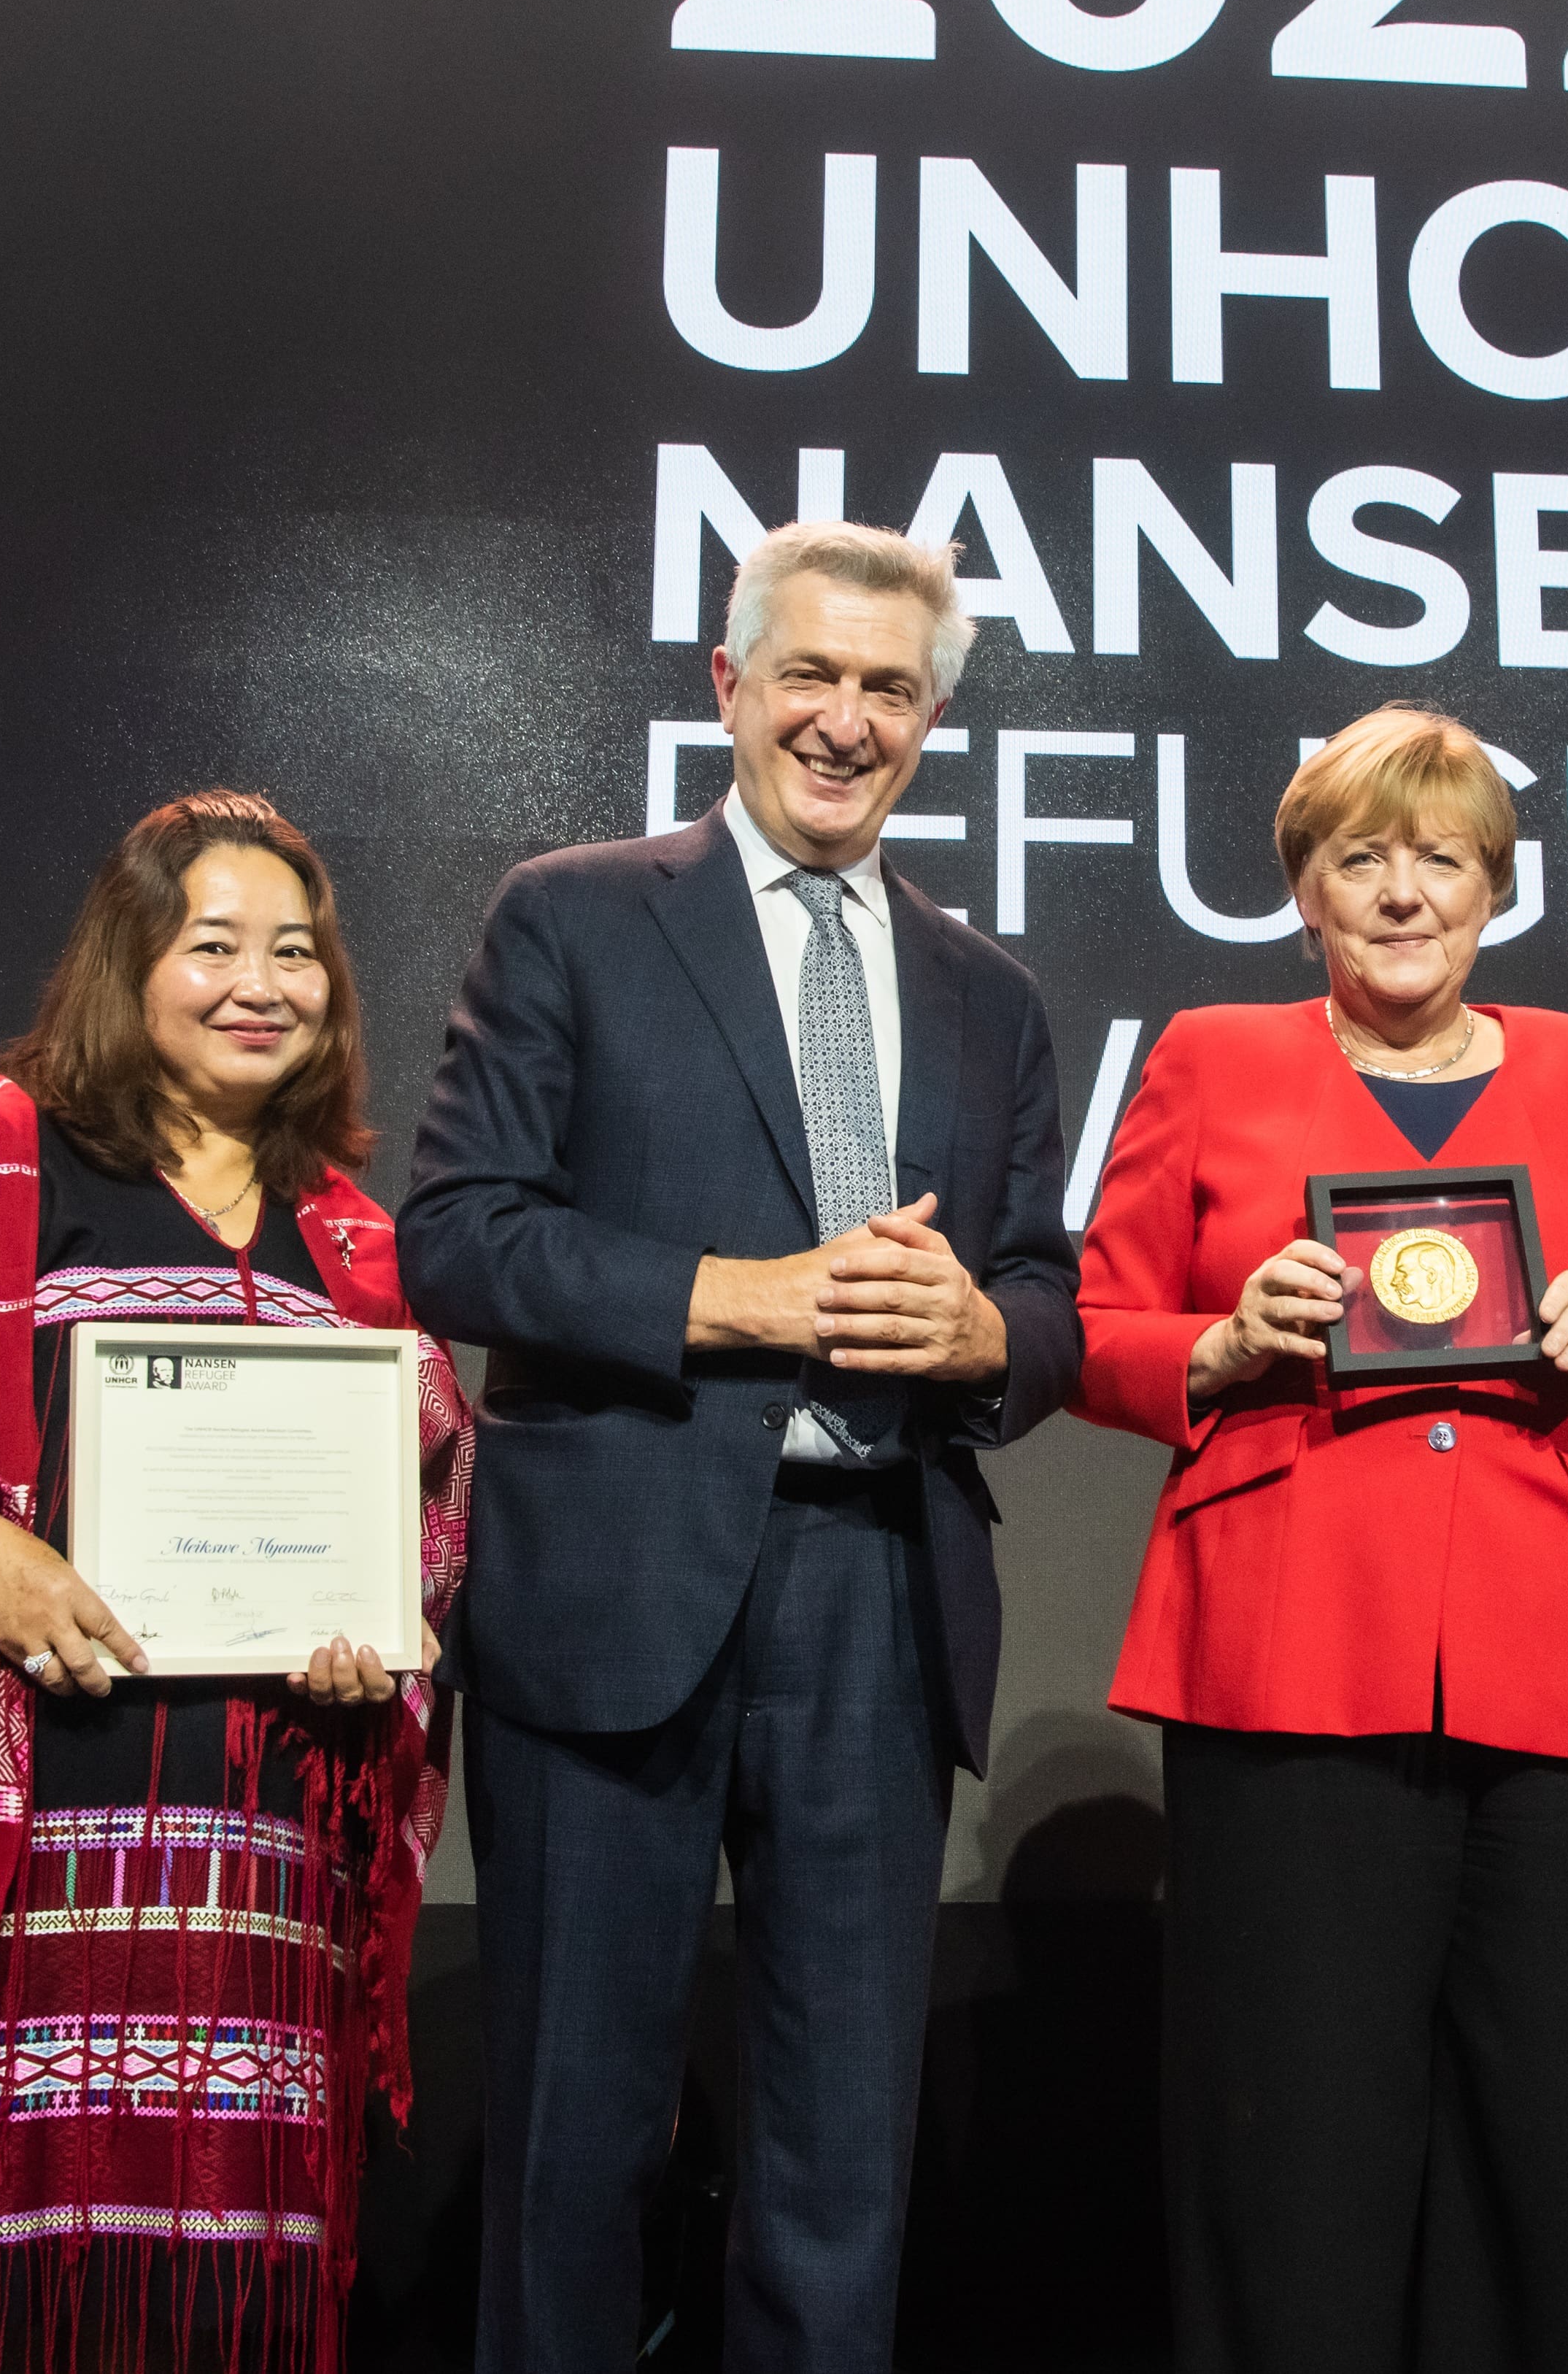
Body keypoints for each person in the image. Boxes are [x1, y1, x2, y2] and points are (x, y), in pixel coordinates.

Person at [399, 519, 1081, 2374]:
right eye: (812, 674)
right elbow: (458, 1234)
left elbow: (1048, 1292)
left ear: (934, 718)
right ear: (728, 685)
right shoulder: (574, 911)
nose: (845, 719)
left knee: (838, 2156)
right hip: (614, 1580)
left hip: (878, 1586)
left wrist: (984, 1336)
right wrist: (746, 1299)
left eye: (888, 687)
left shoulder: (991, 991)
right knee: (574, 2135)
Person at [0, 793, 473, 2373]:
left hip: (250, 1866)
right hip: (3, 1844)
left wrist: (376, 1641)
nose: (259, 984)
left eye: (296, 954)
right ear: (131, 963)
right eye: (213, 946)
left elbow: (422, 1509)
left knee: (205, 2290)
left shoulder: (351, 1241)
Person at [1068, 704, 1568, 2374]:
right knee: (1294, 2137)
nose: (1405, 891)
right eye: (1364, 856)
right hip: (1289, 1645)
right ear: (1304, 887)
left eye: (1443, 856)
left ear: (1498, 884)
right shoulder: (1211, 1055)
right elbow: (1096, 1326)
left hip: (1562, 1655)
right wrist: (1223, 1339)